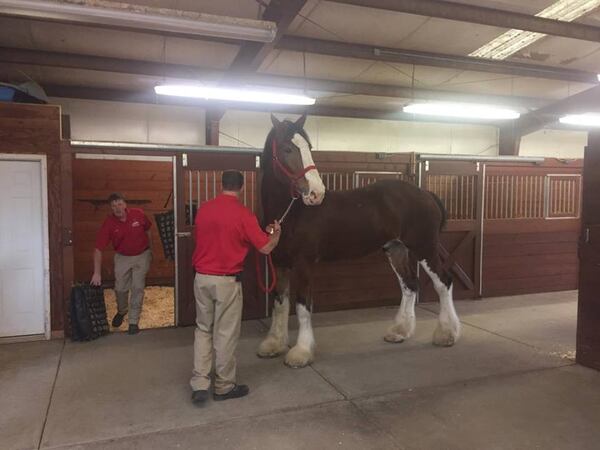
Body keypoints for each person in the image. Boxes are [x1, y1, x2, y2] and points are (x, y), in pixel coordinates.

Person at [190, 170, 281, 405]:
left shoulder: (204, 210)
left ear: (222, 185)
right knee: (225, 334)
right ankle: (223, 386)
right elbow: (265, 248)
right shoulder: (244, 215)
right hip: (226, 281)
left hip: (201, 278)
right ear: (241, 187)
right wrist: (275, 234)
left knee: (202, 329)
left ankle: (200, 384)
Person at [91, 192, 152, 335]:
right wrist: (97, 272)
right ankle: (122, 310)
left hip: (142, 255)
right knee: (120, 288)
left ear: (125, 204)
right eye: (113, 206)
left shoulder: (138, 214)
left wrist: (151, 250)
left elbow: (148, 230)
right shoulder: (109, 223)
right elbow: (98, 249)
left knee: (138, 287)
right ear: (111, 209)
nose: (117, 208)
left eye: (119, 204)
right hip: (122, 257)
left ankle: (133, 321)